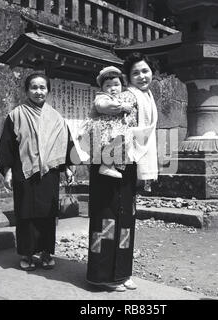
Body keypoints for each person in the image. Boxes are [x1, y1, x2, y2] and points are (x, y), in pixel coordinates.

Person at [86, 53, 158, 292]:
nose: (141, 76)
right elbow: (108, 122)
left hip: (128, 162)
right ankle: (102, 273)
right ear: (128, 77)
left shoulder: (146, 98)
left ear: (152, 73)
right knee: (106, 217)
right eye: (136, 72)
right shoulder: (127, 96)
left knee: (125, 218)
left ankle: (121, 272)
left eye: (145, 71)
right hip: (108, 160)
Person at [0, 73, 74, 271]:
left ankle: (46, 253)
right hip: (24, 171)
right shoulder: (16, 115)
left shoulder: (57, 117)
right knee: (25, 214)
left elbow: (66, 143)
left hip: (50, 173)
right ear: (26, 90)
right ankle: (28, 254)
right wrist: (7, 171)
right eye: (34, 87)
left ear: (48, 90)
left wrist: (68, 169)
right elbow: (7, 146)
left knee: (49, 214)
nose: (39, 91)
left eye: (42, 87)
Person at [83, 66, 137, 178]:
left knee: (123, 140)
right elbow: (104, 106)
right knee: (119, 137)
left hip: (106, 132)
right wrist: (122, 107)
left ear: (122, 86)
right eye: (108, 85)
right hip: (98, 130)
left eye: (116, 85)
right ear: (102, 88)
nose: (113, 89)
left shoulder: (121, 97)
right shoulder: (102, 97)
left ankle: (110, 165)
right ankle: (106, 165)